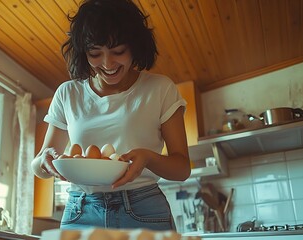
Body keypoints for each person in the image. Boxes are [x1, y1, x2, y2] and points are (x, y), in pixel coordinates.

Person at [31, 0, 191, 231]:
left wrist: (148, 157)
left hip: (142, 208)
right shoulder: (68, 93)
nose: (107, 64)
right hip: (80, 209)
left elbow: (182, 168)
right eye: (95, 54)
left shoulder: (160, 88)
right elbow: (39, 165)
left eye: (118, 51)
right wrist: (45, 160)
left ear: (135, 46)